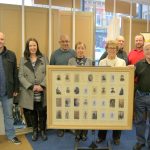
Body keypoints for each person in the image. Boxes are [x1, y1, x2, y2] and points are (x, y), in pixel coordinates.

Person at [18, 38, 49, 141]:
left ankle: (43, 131)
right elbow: (20, 76)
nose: (32, 47)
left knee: (42, 112)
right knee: (32, 112)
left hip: (42, 91)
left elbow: (49, 73)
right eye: (30, 46)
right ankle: (35, 131)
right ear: (28, 47)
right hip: (30, 91)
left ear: (37, 46)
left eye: (34, 45)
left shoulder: (44, 58)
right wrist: (32, 86)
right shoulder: (23, 59)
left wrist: (42, 85)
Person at [97, 40, 126, 145]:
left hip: (118, 92)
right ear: (106, 49)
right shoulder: (102, 62)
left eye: (114, 48)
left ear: (117, 50)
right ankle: (101, 136)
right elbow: (99, 78)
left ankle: (116, 137)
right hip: (104, 92)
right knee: (103, 114)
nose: (112, 50)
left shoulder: (122, 62)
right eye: (110, 48)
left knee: (117, 114)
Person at [50, 34, 76, 136]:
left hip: (72, 85)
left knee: (70, 106)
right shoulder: (54, 54)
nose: (65, 43)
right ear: (59, 42)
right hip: (59, 86)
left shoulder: (74, 53)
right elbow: (51, 69)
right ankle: (60, 127)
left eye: (67, 41)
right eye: (63, 41)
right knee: (60, 106)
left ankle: (70, 126)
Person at [68, 41, 93, 142]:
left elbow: (92, 76)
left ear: (85, 49)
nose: (80, 50)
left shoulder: (89, 61)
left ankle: (84, 133)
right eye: (78, 48)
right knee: (77, 112)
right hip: (75, 91)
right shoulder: (71, 61)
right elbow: (69, 75)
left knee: (85, 112)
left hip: (86, 90)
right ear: (76, 49)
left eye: (82, 48)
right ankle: (77, 133)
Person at [0, 32, 21, 144]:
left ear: (4, 40)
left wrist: (16, 89)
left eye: (2, 39)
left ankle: (11, 135)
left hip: (7, 92)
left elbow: (15, 73)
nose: (0, 41)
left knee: (9, 115)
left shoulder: (11, 55)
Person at [133, 43, 150, 150]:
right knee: (139, 120)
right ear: (144, 51)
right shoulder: (138, 64)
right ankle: (140, 141)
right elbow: (130, 78)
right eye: (147, 49)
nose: (149, 51)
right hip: (140, 96)